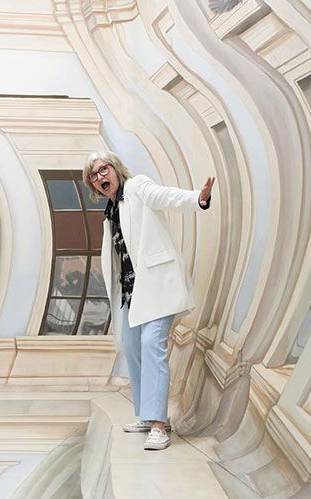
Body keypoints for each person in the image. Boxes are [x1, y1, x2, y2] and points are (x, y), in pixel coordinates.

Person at [83, 150, 214, 450]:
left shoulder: (138, 187)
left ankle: (159, 425)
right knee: (133, 349)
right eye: (94, 175)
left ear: (115, 169)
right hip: (131, 293)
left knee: (151, 344)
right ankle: (147, 414)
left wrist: (199, 198)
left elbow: (165, 196)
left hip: (157, 285)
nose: (101, 176)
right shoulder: (110, 212)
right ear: (92, 184)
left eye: (104, 169)